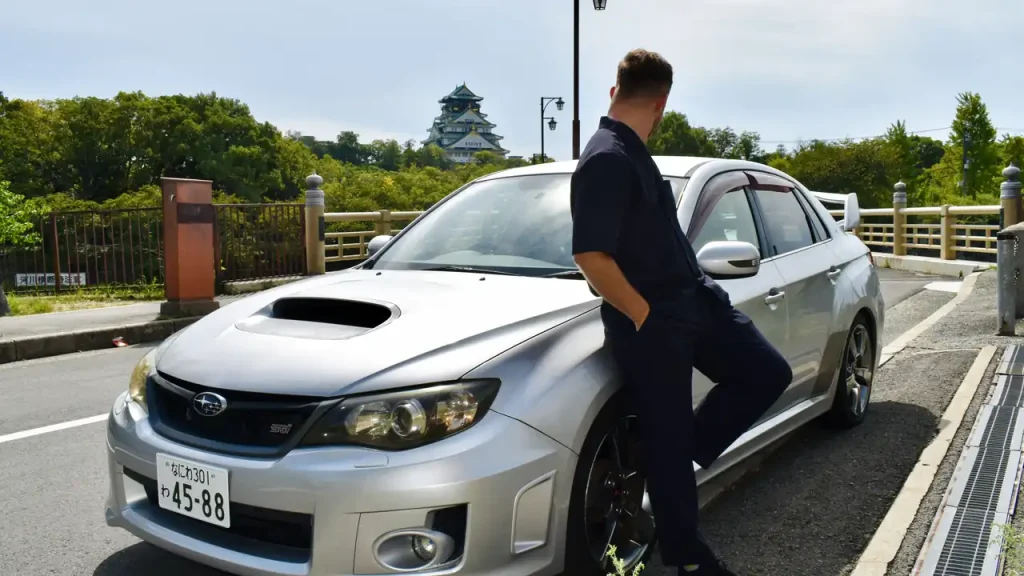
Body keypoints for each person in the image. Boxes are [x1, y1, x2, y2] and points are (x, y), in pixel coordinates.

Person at [570, 48, 793, 575]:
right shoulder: (605, 157)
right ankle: (686, 556)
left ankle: (670, 451)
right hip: (653, 324)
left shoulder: (631, 151)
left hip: (694, 303)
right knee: (667, 442)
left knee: (766, 373)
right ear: (663, 103)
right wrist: (644, 315)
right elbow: (589, 256)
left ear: (614, 90)